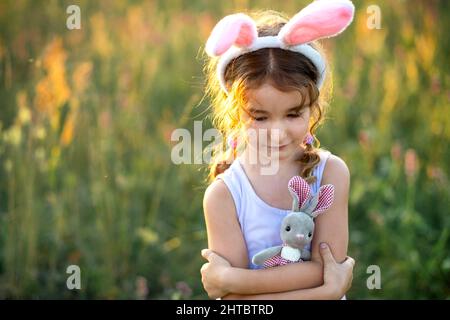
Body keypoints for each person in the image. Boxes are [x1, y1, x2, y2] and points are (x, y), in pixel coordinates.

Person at [200, 0, 356, 299]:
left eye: (293, 114)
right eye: (260, 117)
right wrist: (326, 290)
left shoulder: (331, 174)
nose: (277, 133)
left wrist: (233, 279)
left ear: (313, 108)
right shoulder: (224, 195)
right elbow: (233, 302)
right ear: (235, 113)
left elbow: (330, 267)